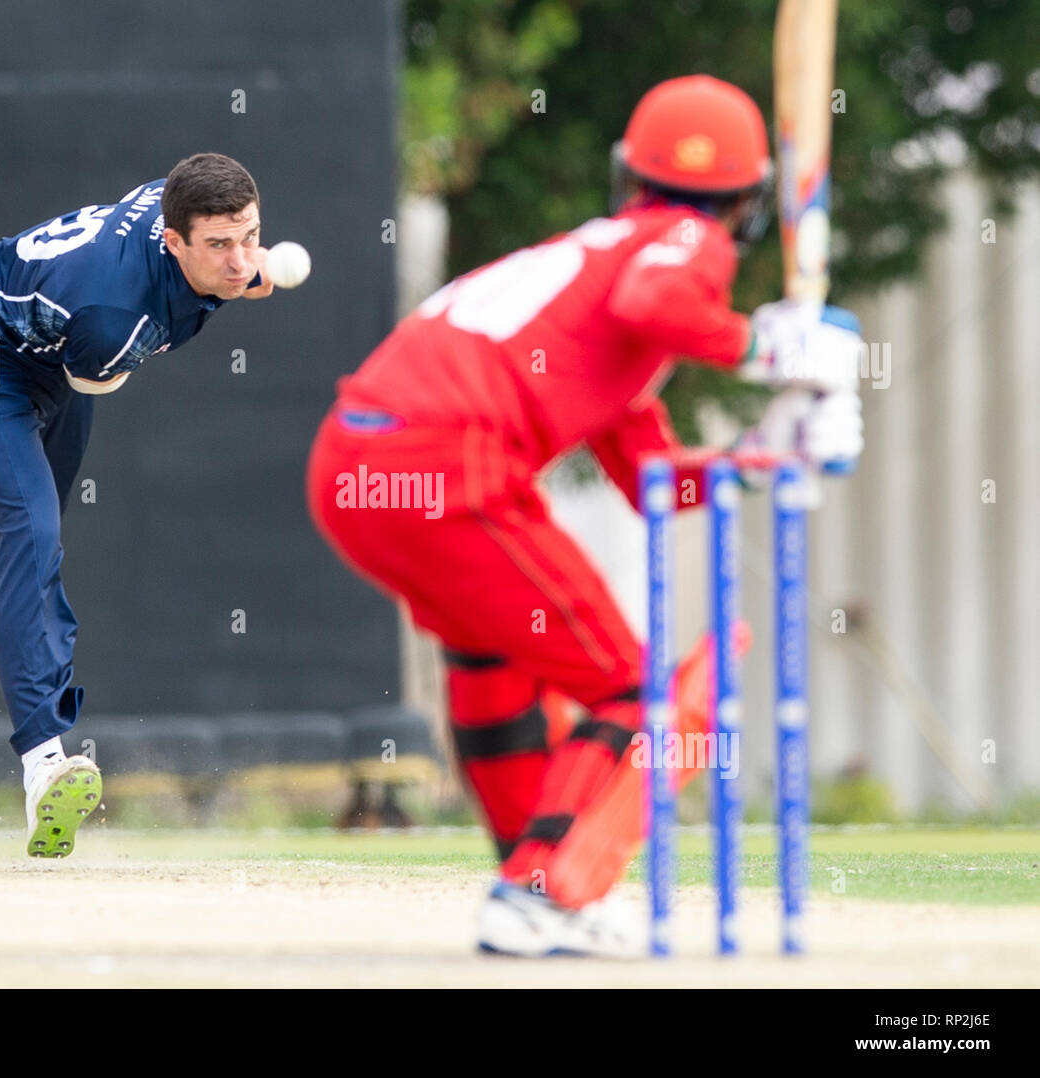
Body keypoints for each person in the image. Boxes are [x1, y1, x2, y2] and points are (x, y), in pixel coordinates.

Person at [306, 76, 863, 955]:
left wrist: (766, 453)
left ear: (628, 173)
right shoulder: (684, 240)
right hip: (447, 463)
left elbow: (650, 483)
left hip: (352, 464)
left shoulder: (592, 278)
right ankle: (544, 892)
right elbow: (663, 301)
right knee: (631, 690)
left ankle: (530, 884)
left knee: (495, 661)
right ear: (744, 202)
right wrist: (773, 346)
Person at [0, 153, 274, 858]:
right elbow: (93, 369)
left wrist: (235, 272)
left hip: (49, 354)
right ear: (172, 242)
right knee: (32, 530)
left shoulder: (172, 203)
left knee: (33, 523)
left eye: (251, 237)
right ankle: (42, 760)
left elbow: (194, 252)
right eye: (219, 246)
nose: (239, 260)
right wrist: (237, 286)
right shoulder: (113, 319)